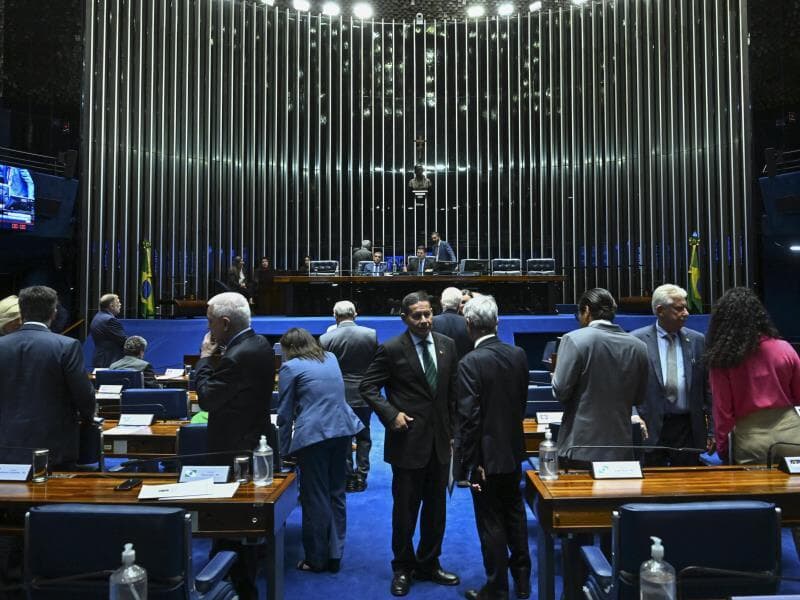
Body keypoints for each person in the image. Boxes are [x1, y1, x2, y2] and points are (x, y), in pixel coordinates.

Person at [360, 291, 460, 597]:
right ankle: (402, 567)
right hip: (407, 444)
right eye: (417, 315)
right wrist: (391, 415)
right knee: (405, 512)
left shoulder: (447, 345)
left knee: (436, 510)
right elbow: (368, 386)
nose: (425, 320)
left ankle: (429, 563)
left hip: (440, 443)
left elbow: (453, 393)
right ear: (404, 318)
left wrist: (454, 432)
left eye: (428, 314)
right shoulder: (391, 349)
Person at [194, 292, 277, 600]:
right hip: (251, 441)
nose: (208, 328)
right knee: (237, 532)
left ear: (225, 323)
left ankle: (238, 589)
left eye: (210, 322)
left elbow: (207, 399)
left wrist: (204, 359)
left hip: (234, 451)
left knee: (230, 529)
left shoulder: (237, 355)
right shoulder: (260, 343)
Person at [454, 295, 532, 600]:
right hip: (513, 450)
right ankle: (523, 582)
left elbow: (469, 419)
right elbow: (521, 403)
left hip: (485, 458)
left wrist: (470, 463)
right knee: (515, 514)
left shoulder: (469, 362)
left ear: (468, 324)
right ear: (497, 322)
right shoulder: (518, 354)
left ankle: (497, 587)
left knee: (491, 523)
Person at [277, 328, 364, 573]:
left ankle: (316, 558)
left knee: (314, 496)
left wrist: (283, 451)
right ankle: (335, 554)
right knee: (336, 493)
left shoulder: (290, 367)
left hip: (314, 435)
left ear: (289, 348)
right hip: (343, 430)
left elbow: (284, 413)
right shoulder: (331, 358)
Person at [0, 286, 94, 469]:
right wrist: (89, 418)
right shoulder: (66, 346)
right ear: (54, 312)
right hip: (53, 445)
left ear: (21, 311)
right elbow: (84, 396)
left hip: (5, 443)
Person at [552, 287, 648, 467]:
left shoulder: (573, 339)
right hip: (621, 448)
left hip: (580, 447)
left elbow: (561, 391)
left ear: (587, 310)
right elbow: (639, 398)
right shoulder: (639, 346)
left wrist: (555, 376)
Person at [705, 287, 800, 464]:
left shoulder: (722, 359)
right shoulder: (785, 348)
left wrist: (723, 448)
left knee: (754, 483)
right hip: (792, 435)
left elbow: (723, 412)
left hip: (750, 440)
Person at [630, 284, 712, 466]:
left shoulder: (697, 340)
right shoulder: (637, 341)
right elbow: (627, 386)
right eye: (679, 308)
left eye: (685, 307)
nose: (686, 313)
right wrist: (634, 415)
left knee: (688, 480)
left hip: (687, 428)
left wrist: (712, 429)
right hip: (650, 425)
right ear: (660, 310)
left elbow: (708, 388)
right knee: (652, 480)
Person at [320, 301, 379, 492]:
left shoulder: (325, 339)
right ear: (355, 314)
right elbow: (376, 364)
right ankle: (361, 476)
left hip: (339, 394)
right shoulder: (370, 334)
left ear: (335, 316)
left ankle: (346, 476)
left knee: (344, 437)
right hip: (364, 392)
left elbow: (324, 370)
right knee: (364, 435)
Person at [433, 287, 473, 360]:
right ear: (459, 304)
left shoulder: (432, 322)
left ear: (441, 302)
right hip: (463, 364)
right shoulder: (469, 322)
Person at [89, 293, 126, 368]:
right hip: (110, 360)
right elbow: (123, 340)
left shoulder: (97, 316)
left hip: (101, 358)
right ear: (111, 306)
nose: (120, 304)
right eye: (118, 302)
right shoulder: (110, 320)